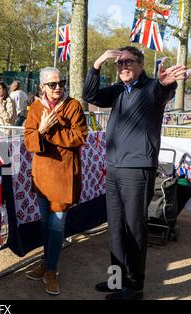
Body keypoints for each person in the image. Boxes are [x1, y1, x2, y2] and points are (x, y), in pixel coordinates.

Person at [83, 46, 187, 300]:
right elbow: (90, 94)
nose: (123, 67)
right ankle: (116, 280)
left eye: (129, 62)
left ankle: (134, 287)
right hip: (114, 168)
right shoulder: (118, 90)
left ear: (140, 65)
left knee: (134, 228)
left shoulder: (151, 88)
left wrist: (164, 85)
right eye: (119, 63)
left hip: (137, 169)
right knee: (116, 228)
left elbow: (162, 91)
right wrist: (97, 64)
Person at [24, 67, 88, 296]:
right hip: (42, 175)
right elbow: (29, 142)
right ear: (42, 87)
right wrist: (39, 130)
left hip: (63, 175)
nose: (58, 87)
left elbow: (79, 137)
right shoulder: (35, 108)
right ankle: (46, 261)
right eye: (52, 84)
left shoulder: (73, 106)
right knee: (44, 224)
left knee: (57, 225)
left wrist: (48, 132)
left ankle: (51, 270)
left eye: (61, 83)